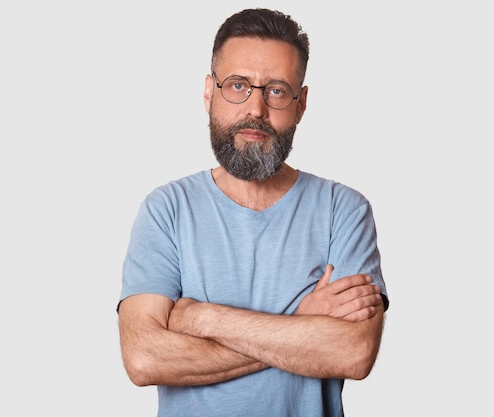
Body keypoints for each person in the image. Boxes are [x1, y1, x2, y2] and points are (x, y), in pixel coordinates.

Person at [117, 8, 389, 417]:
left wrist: (202, 317)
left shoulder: (342, 210)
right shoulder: (166, 210)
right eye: (238, 85)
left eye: (277, 90)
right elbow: (144, 359)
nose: (256, 109)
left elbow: (353, 352)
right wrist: (302, 323)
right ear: (209, 92)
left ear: (301, 104)